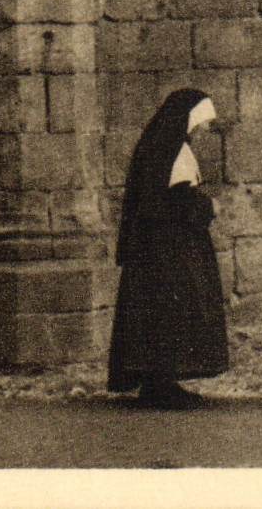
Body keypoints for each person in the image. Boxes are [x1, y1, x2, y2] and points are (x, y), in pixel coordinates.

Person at [107, 88, 229, 408]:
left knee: (159, 312)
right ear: (190, 120)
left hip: (155, 247)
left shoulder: (159, 146)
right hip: (168, 249)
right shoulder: (174, 151)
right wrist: (209, 207)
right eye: (203, 123)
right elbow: (175, 201)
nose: (205, 130)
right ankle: (162, 384)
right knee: (171, 309)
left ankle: (158, 382)